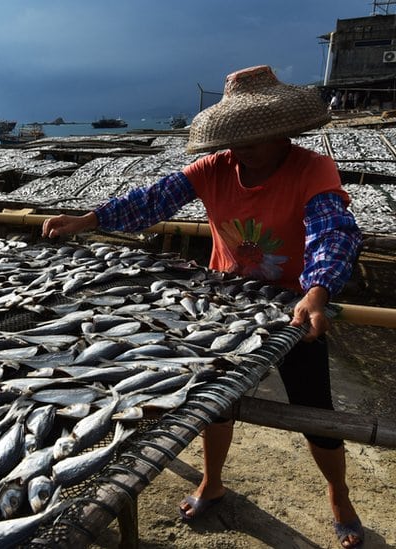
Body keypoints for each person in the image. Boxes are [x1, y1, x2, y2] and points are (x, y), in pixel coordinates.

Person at [41, 65, 364, 549]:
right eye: (233, 137)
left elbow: (332, 230)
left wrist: (318, 288)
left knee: (314, 406)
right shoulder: (211, 169)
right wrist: (87, 219)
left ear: (283, 132)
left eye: (253, 135)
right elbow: (152, 200)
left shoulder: (312, 168)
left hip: (295, 307)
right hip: (225, 303)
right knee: (215, 402)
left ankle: (338, 494)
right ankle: (213, 481)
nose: (240, 146)